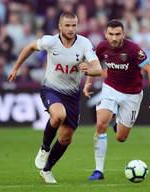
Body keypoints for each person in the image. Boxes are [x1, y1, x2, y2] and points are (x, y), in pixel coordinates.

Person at [8, 11, 102, 184]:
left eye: (74, 25)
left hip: (72, 96)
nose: (71, 29)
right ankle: (44, 148)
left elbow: (98, 69)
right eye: (67, 25)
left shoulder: (84, 44)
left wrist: (89, 69)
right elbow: (29, 48)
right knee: (58, 115)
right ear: (60, 27)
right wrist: (16, 68)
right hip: (51, 89)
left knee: (66, 138)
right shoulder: (50, 41)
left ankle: (47, 170)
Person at [83, 20, 150, 180]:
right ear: (106, 34)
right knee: (100, 124)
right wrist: (87, 84)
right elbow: (93, 65)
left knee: (121, 138)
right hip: (110, 89)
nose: (114, 38)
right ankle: (98, 170)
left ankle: (117, 123)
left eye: (117, 34)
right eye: (111, 34)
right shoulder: (101, 47)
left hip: (132, 95)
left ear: (123, 34)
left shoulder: (134, 49)